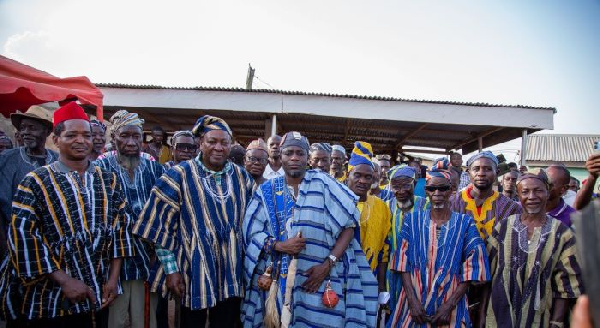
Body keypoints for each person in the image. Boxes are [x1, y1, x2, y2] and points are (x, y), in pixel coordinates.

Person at [0, 102, 134, 327]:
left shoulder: (108, 180)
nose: (80, 141)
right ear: (56, 139)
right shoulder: (35, 182)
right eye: (71, 135)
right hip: (50, 299)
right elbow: (24, 239)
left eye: (86, 135)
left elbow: (120, 230)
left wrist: (113, 279)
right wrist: (64, 281)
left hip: (97, 291)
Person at [241, 131, 378, 328]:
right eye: (289, 153)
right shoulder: (266, 190)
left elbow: (349, 226)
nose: (295, 158)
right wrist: (280, 246)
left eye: (300, 153)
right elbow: (251, 232)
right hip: (276, 282)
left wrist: (326, 265)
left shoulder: (324, 183)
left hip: (320, 280)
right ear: (281, 155)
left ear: (307, 158)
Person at [134, 115, 254, 327]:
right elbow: (160, 227)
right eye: (212, 142)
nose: (218, 147)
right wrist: (171, 270)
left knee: (227, 321)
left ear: (230, 145)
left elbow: (255, 222)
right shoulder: (178, 175)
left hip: (231, 270)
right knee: (191, 323)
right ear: (200, 144)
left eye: (224, 142)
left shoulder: (242, 177)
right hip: (193, 270)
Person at [388, 168, 490, 327]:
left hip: (451, 303)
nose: (437, 192)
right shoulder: (412, 220)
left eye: (442, 188)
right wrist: (413, 302)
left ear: (451, 190)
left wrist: (449, 306)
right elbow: (402, 264)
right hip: (414, 303)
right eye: (431, 188)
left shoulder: (465, 223)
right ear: (426, 191)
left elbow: (473, 268)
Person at [480, 169, 583, 327]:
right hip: (499, 317)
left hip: (541, 319)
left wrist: (556, 322)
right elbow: (487, 276)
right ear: (518, 195)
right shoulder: (504, 227)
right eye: (525, 192)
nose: (532, 197)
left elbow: (566, 287)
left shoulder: (563, 234)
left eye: (538, 191)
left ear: (548, 193)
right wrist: (482, 315)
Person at [96, 110, 165, 328]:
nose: (131, 142)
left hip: (148, 260)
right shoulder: (100, 168)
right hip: (113, 263)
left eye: (136, 136)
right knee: (115, 320)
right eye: (125, 136)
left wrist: (157, 249)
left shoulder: (154, 168)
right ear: (114, 137)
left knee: (145, 319)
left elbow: (162, 211)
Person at [0, 105, 58, 257]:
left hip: (53, 242)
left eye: (32, 128)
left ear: (47, 132)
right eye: (23, 128)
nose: (25, 132)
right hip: (15, 241)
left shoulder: (58, 160)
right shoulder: (7, 159)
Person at [346, 141, 391, 287]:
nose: (363, 181)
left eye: (368, 177)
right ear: (348, 175)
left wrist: (382, 288)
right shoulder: (336, 202)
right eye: (357, 175)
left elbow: (384, 250)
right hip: (339, 279)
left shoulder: (381, 207)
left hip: (369, 279)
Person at [450, 151, 521, 242]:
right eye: (476, 169)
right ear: (468, 172)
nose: (481, 173)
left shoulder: (510, 207)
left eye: (488, 169)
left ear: (497, 173)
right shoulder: (453, 203)